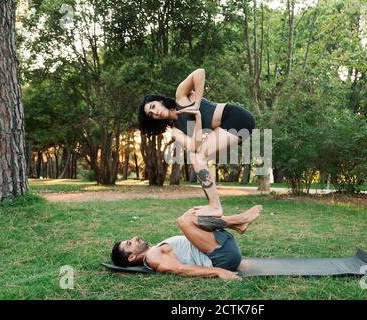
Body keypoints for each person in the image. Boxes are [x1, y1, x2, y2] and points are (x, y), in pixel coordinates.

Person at [137, 68, 256, 217]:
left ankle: (215, 206)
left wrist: (196, 104)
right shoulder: (175, 131)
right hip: (229, 128)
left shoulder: (181, 96)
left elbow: (200, 72)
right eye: (151, 114)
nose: (155, 112)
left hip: (237, 118)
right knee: (197, 156)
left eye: (153, 106)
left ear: (160, 101)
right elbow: (195, 146)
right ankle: (214, 205)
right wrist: (198, 118)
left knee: (198, 157)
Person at [111, 205, 262, 280]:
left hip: (219, 247)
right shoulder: (152, 257)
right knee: (184, 220)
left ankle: (237, 224)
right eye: (130, 244)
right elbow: (180, 269)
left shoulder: (155, 249)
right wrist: (219, 271)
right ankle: (238, 221)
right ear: (131, 257)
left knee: (194, 213)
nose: (135, 238)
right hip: (221, 257)